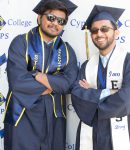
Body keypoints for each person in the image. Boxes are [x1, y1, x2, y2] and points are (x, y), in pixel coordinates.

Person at [4, 0, 78, 150]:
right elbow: (17, 83)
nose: (55, 23)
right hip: (22, 116)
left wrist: (37, 76)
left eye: (61, 21)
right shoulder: (21, 42)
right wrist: (55, 84)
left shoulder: (67, 50)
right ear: (39, 18)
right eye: (51, 17)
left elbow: (69, 84)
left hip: (54, 117)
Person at [71, 5, 130, 150]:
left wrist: (92, 96)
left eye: (104, 29)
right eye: (94, 30)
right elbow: (77, 98)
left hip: (124, 136)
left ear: (116, 32)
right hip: (92, 135)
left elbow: (127, 99)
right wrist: (111, 92)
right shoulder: (86, 66)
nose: (99, 34)